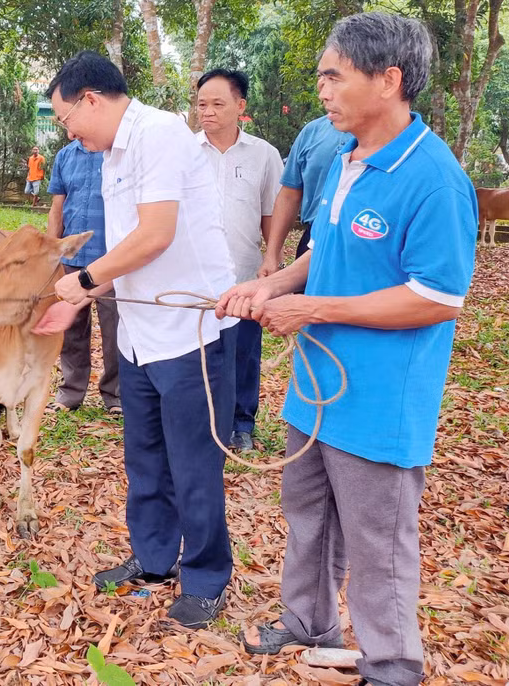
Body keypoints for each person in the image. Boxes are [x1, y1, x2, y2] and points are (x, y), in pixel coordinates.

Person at [216, 13, 477, 686]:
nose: (322, 91)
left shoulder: (434, 178)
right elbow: (320, 254)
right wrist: (265, 285)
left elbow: (437, 299)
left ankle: (392, 664)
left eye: (334, 76)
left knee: (379, 543)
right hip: (315, 388)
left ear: (388, 80)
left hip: (379, 400)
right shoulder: (346, 161)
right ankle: (307, 623)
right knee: (307, 514)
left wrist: (314, 309)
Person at [33, 51, 239, 630]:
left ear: (91, 100)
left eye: (65, 117)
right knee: (145, 455)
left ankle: (205, 577)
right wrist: (82, 297)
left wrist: (83, 282)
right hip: (141, 330)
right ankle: (153, 559)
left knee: (193, 461)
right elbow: (125, 243)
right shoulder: (110, 152)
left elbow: (155, 234)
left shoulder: (162, 134)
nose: (67, 130)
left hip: (190, 332)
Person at [195, 69, 283, 452]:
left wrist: (273, 256)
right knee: (198, 351)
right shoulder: (185, 151)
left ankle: (241, 424)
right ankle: (202, 421)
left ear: (240, 106)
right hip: (195, 275)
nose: (208, 112)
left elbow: (272, 213)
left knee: (243, 352)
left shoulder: (264, 154)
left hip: (245, 272)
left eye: (217, 104)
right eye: (201, 104)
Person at [46, 138, 121, 414]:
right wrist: (51, 250)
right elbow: (57, 208)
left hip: (111, 260)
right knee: (72, 329)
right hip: (71, 260)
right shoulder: (65, 156)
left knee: (115, 330)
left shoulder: (118, 154)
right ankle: (70, 393)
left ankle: (115, 395)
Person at [258, 116, 352, 277]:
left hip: (366, 241)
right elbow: (289, 195)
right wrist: (272, 255)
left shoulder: (395, 134)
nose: (325, 95)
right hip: (313, 237)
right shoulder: (313, 131)